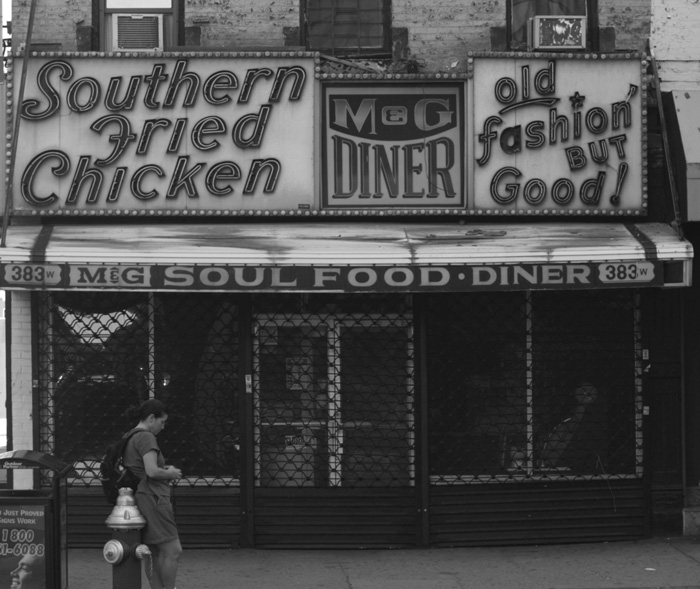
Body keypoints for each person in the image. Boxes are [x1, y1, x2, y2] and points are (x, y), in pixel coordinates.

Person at [123, 399, 183, 589]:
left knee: (153, 552)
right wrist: (171, 473)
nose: (163, 427)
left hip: (141, 497)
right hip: (154, 497)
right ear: (151, 418)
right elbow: (152, 471)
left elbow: (141, 468)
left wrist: (162, 468)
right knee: (173, 550)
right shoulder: (146, 437)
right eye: (161, 421)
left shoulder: (130, 435)